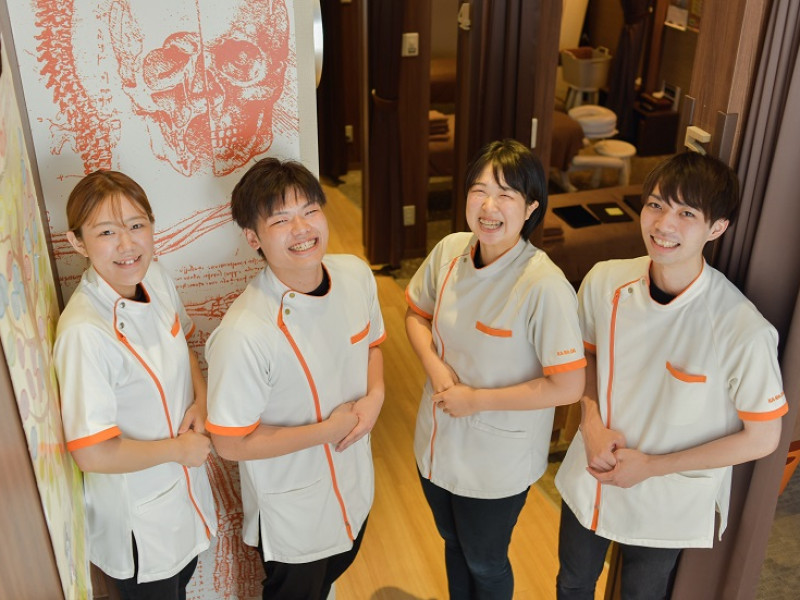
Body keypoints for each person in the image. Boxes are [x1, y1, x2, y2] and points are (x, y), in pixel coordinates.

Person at [554, 151, 787, 600]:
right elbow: (586, 356)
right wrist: (591, 422)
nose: (663, 225)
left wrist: (653, 467)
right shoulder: (605, 282)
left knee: (642, 595)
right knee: (572, 583)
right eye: (656, 205)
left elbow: (763, 438)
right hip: (593, 468)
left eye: (687, 214)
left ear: (717, 228)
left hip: (669, 493)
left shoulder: (741, 328)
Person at [405, 139, 587, 599]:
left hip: (497, 459)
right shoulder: (449, 251)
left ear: (531, 208)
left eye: (506, 195)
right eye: (479, 191)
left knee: (485, 562)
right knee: (452, 542)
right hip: (437, 437)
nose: (489, 207)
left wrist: (476, 401)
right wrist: (434, 365)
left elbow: (568, 385)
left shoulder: (543, 285)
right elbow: (415, 314)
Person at [205, 157, 386, 600]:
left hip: (354, 484)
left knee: (334, 575)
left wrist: (377, 396)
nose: (302, 229)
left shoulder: (356, 275)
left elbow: (372, 346)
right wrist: (329, 430)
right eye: (281, 220)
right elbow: (229, 442)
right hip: (293, 513)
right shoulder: (245, 332)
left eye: (310, 211)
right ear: (253, 238)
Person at [54, 171, 217, 599]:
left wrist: (201, 400)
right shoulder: (84, 332)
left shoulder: (155, 277)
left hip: (181, 496)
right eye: (107, 232)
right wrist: (178, 450)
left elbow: (181, 342)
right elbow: (91, 453)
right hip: (138, 527)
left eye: (137, 225)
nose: (127, 244)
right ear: (77, 242)